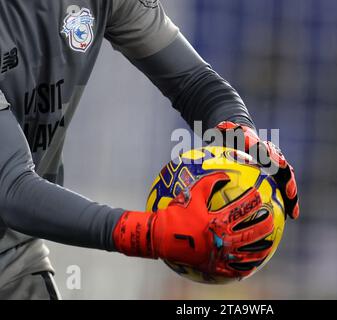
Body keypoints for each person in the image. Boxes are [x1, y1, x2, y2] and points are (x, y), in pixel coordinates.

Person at [0, 0, 299, 300]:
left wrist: (239, 134)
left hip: (13, 258)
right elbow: (11, 189)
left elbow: (194, 83)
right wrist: (150, 233)